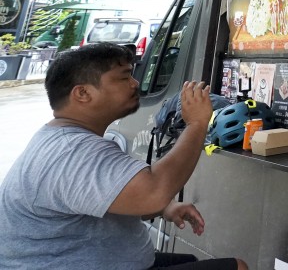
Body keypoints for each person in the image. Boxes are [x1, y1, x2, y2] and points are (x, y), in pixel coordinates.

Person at [0, 43, 247, 270]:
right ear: (83, 93)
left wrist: (164, 207)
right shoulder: (74, 152)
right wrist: (196, 123)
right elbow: (154, 192)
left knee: (190, 261)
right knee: (237, 267)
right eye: (123, 77)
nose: (135, 84)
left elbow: (105, 198)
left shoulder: (61, 139)